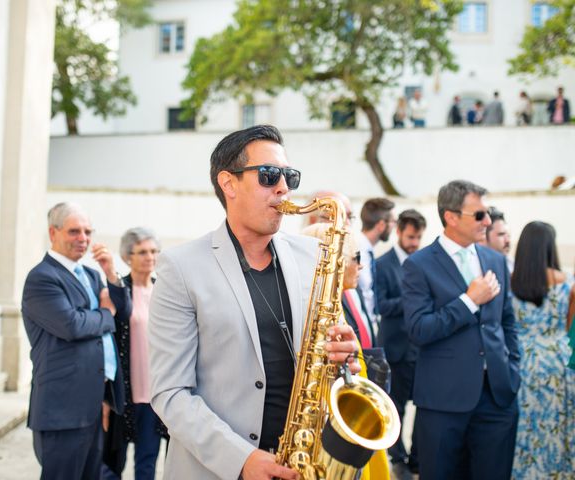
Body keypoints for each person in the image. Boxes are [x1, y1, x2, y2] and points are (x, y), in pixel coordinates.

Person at [147, 125, 359, 480]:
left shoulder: (314, 256)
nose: (283, 188)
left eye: (289, 176)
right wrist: (242, 459)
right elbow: (170, 393)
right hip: (217, 469)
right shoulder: (180, 267)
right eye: (269, 175)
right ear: (228, 183)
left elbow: (328, 361)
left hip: (303, 461)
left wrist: (343, 358)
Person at [402, 180, 520, 480]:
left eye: (488, 213)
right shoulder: (419, 264)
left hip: (497, 396)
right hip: (443, 401)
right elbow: (418, 329)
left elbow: (507, 321)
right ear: (451, 217)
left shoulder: (495, 260)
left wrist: (512, 370)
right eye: (479, 215)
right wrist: (468, 301)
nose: (488, 221)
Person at [21, 202, 125, 480]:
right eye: (74, 231)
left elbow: (122, 314)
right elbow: (72, 325)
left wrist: (112, 274)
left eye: (88, 232)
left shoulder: (92, 274)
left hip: (92, 405)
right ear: (53, 232)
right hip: (62, 409)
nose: (83, 239)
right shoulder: (41, 278)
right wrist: (105, 313)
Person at [301, 222, 391, 480]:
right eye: (357, 257)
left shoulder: (341, 301)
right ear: (336, 261)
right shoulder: (320, 312)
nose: (361, 265)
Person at [510, 221, 575, 479]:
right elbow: (569, 327)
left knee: (526, 425)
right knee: (558, 424)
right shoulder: (566, 283)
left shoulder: (511, 282)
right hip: (557, 362)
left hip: (523, 362)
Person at [97, 228, 163, 480]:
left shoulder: (164, 290)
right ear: (127, 257)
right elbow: (104, 342)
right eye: (143, 252)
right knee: (113, 463)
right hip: (122, 395)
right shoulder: (117, 290)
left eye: (154, 251)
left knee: (147, 465)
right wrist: (104, 396)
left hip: (155, 395)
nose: (150, 257)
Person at [376, 209, 427, 479]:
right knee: (395, 408)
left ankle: (418, 458)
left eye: (418, 237)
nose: (415, 243)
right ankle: (398, 458)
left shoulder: (423, 261)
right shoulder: (382, 264)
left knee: (423, 404)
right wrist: (411, 300)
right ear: (398, 232)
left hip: (421, 348)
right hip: (394, 348)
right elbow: (380, 304)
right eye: (410, 237)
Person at [358, 198, 396, 342]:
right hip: (360, 330)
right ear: (381, 225)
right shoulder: (356, 250)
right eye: (393, 221)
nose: (394, 226)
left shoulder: (367, 250)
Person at [482, 207, 513, 273]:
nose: (508, 240)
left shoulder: (512, 264)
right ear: (484, 236)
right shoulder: (478, 267)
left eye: (508, 235)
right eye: (501, 234)